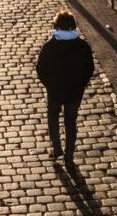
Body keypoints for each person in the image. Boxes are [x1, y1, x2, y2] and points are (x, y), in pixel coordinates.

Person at [36, 9, 94, 166]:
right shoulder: (83, 46)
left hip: (55, 91)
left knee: (53, 116)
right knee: (70, 122)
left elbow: (40, 69)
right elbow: (89, 69)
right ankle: (69, 156)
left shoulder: (50, 46)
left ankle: (56, 148)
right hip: (75, 92)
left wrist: (50, 84)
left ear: (56, 26)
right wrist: (80, 84)